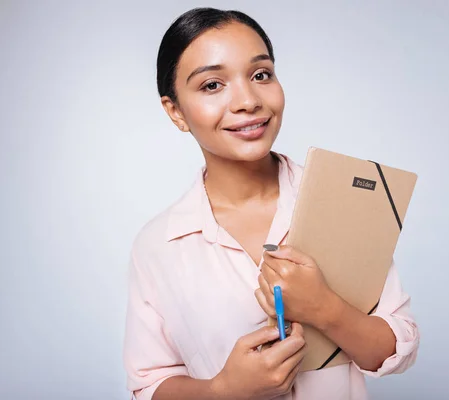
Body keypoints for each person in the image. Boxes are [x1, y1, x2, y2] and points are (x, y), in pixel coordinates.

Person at [123, 7, 420, 400]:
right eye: (212, 85)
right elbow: (149, 385)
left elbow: (398, 348)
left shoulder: (347, 199)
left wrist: (325, 308)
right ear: (175, 111)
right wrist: (223, 389)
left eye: (261, 75)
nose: (248, 101)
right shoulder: (158, 245)